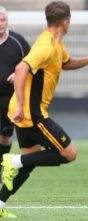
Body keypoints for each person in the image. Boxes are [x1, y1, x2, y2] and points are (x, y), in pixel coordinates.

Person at [0, 1, 88, 218]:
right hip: (32, 114)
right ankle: (13, 160)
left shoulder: (55, 44)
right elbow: (22, 68)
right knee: (69, 153)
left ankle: (0, 205)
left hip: (25, 113)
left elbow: (66, 63)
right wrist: (21, 105)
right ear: (66, 22)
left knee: (30, 161)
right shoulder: (45, 46)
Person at [0, 6, 30, 168]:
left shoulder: (17, 41)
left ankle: (2, 165)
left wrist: (18, 72)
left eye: (3, 20)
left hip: (9, 97)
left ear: (7, 21)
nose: (0, 23)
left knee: (5, 135)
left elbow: (31, 62)